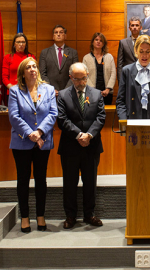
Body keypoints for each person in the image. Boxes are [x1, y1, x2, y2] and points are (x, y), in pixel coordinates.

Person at [8, 57, 57, 233]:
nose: (32, 69)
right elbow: (14, 116)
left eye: (34, 66)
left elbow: (52, 113)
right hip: (22, 142)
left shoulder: (49, 89)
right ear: (22, 72)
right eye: (28, 67)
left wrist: (40, 132)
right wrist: (31, 134)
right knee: (23, 180)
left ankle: (41, 216)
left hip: (42, 142)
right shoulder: (15, 91)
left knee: (41, 180)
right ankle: (25, 217)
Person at [57, 63, 106, 229]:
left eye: (84, 78)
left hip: (91, 146)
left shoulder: (97, 94)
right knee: (69, 183)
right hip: (70, 146)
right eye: (77, 79)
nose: (81, 82)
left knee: (90, 182)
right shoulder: (63, 95)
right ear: (71, 78)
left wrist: (89, 135)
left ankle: (89, 214)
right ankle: (70, 216)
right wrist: (79, 135)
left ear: (87, 75)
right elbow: (62, 120)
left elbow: (100, 117)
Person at [38, 25, 78, 97]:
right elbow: (42, 73)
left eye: (61, 32)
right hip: (49, 93)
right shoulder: (44, 53)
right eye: (56, 32)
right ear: (53, 36)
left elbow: (74, 73)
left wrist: (66, 90)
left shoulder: (73, 52)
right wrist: (51, 89)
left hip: (68, 93)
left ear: (65, 36)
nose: (58, 34)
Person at [82, 32, 116, 105]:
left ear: (104, 43)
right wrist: (93, 90)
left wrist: (108, 89)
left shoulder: (109, 57)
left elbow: (113, 74)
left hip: (107, 93)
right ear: (92, 42)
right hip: (91, 92)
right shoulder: (86, 58)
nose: (98, 42)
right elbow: (84, 75)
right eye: (96, 40)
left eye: (101, 41)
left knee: (106, 114)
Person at [117, 16, 141, 84]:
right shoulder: (123, 43)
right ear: (129, 28)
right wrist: (120, 80)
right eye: (132, 25)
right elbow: (120, 64)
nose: (135, 27)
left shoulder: (146, 41)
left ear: (140, 28)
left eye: (137, 25)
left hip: (143, 76)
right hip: (128, 77)